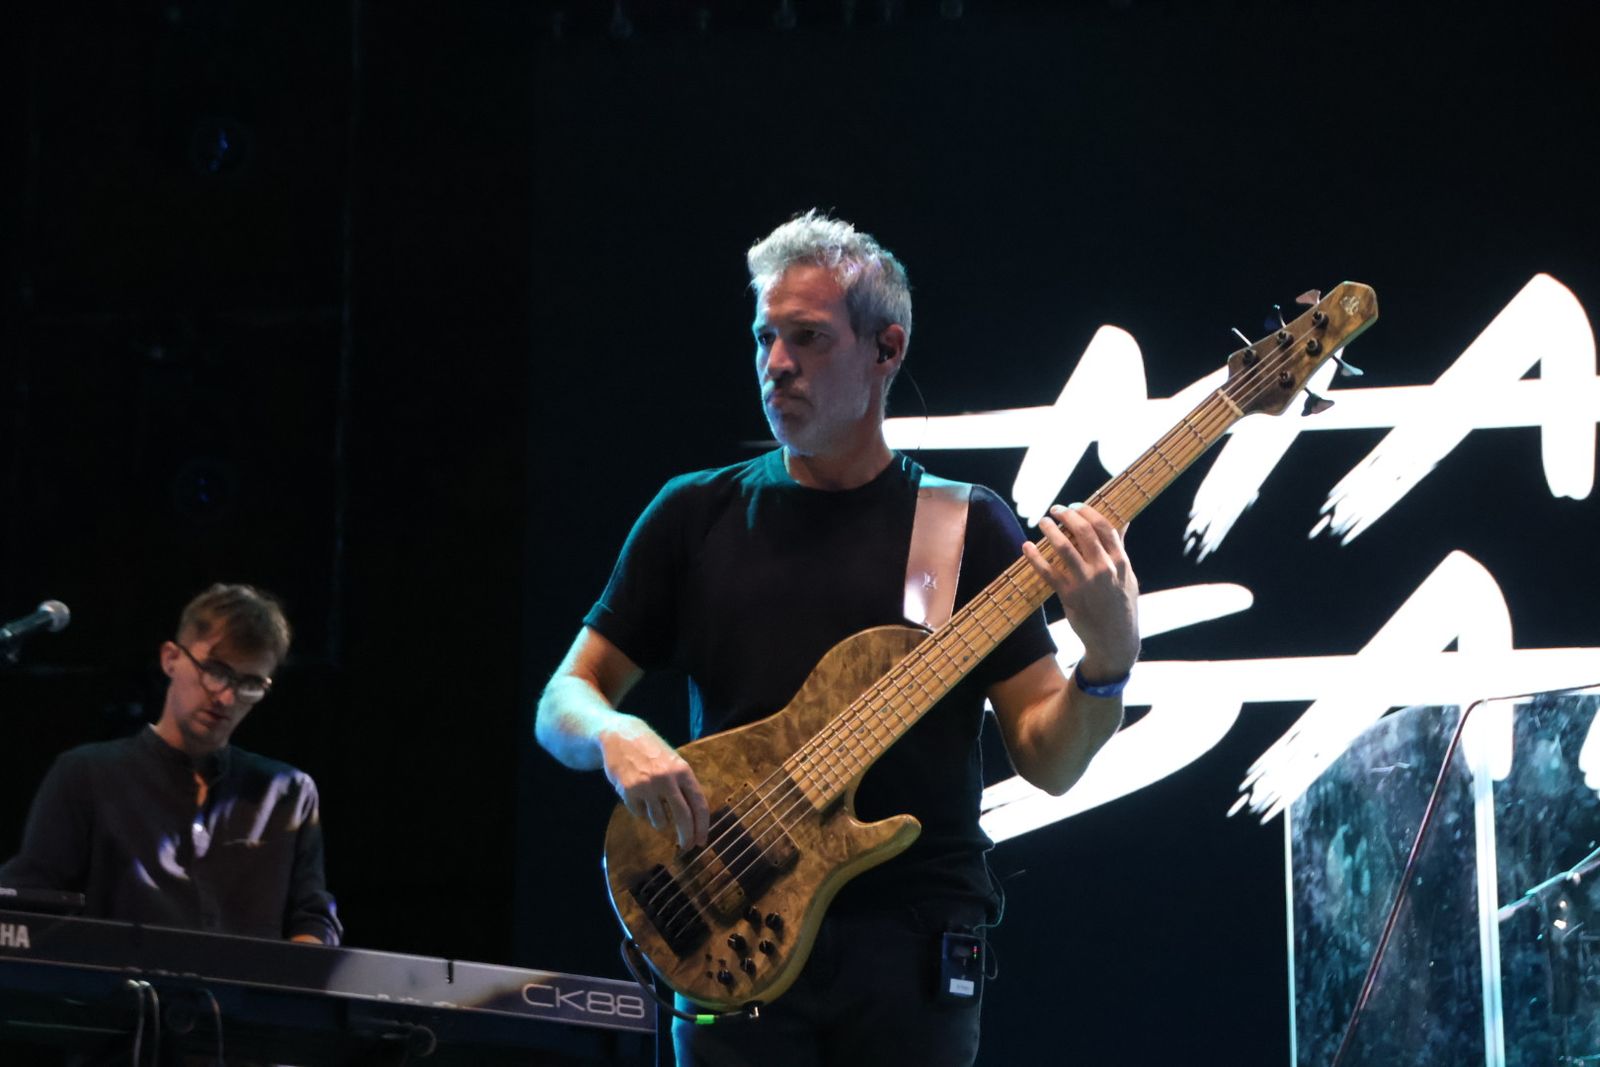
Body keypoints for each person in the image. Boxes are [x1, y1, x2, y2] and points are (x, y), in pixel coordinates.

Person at [535, 211, 1139, 1066]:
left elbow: (1051, 759)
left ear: (886, 349)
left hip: (912, 947)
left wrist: (1107, 663)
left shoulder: (962, 528)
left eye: (808, 337)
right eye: (765, 337)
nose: (776, 363)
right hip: (729, 930)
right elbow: (563, 698)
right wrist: (614, 733)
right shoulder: (693, 514)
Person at [0, 583, 341, 945]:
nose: (227, 697)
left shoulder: (288, 792)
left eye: (250, 683)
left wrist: (296, 970)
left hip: (248, 985)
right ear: (171, 659)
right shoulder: (86, 774)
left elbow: (312, 917)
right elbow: (27, 904)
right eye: (216, 671)